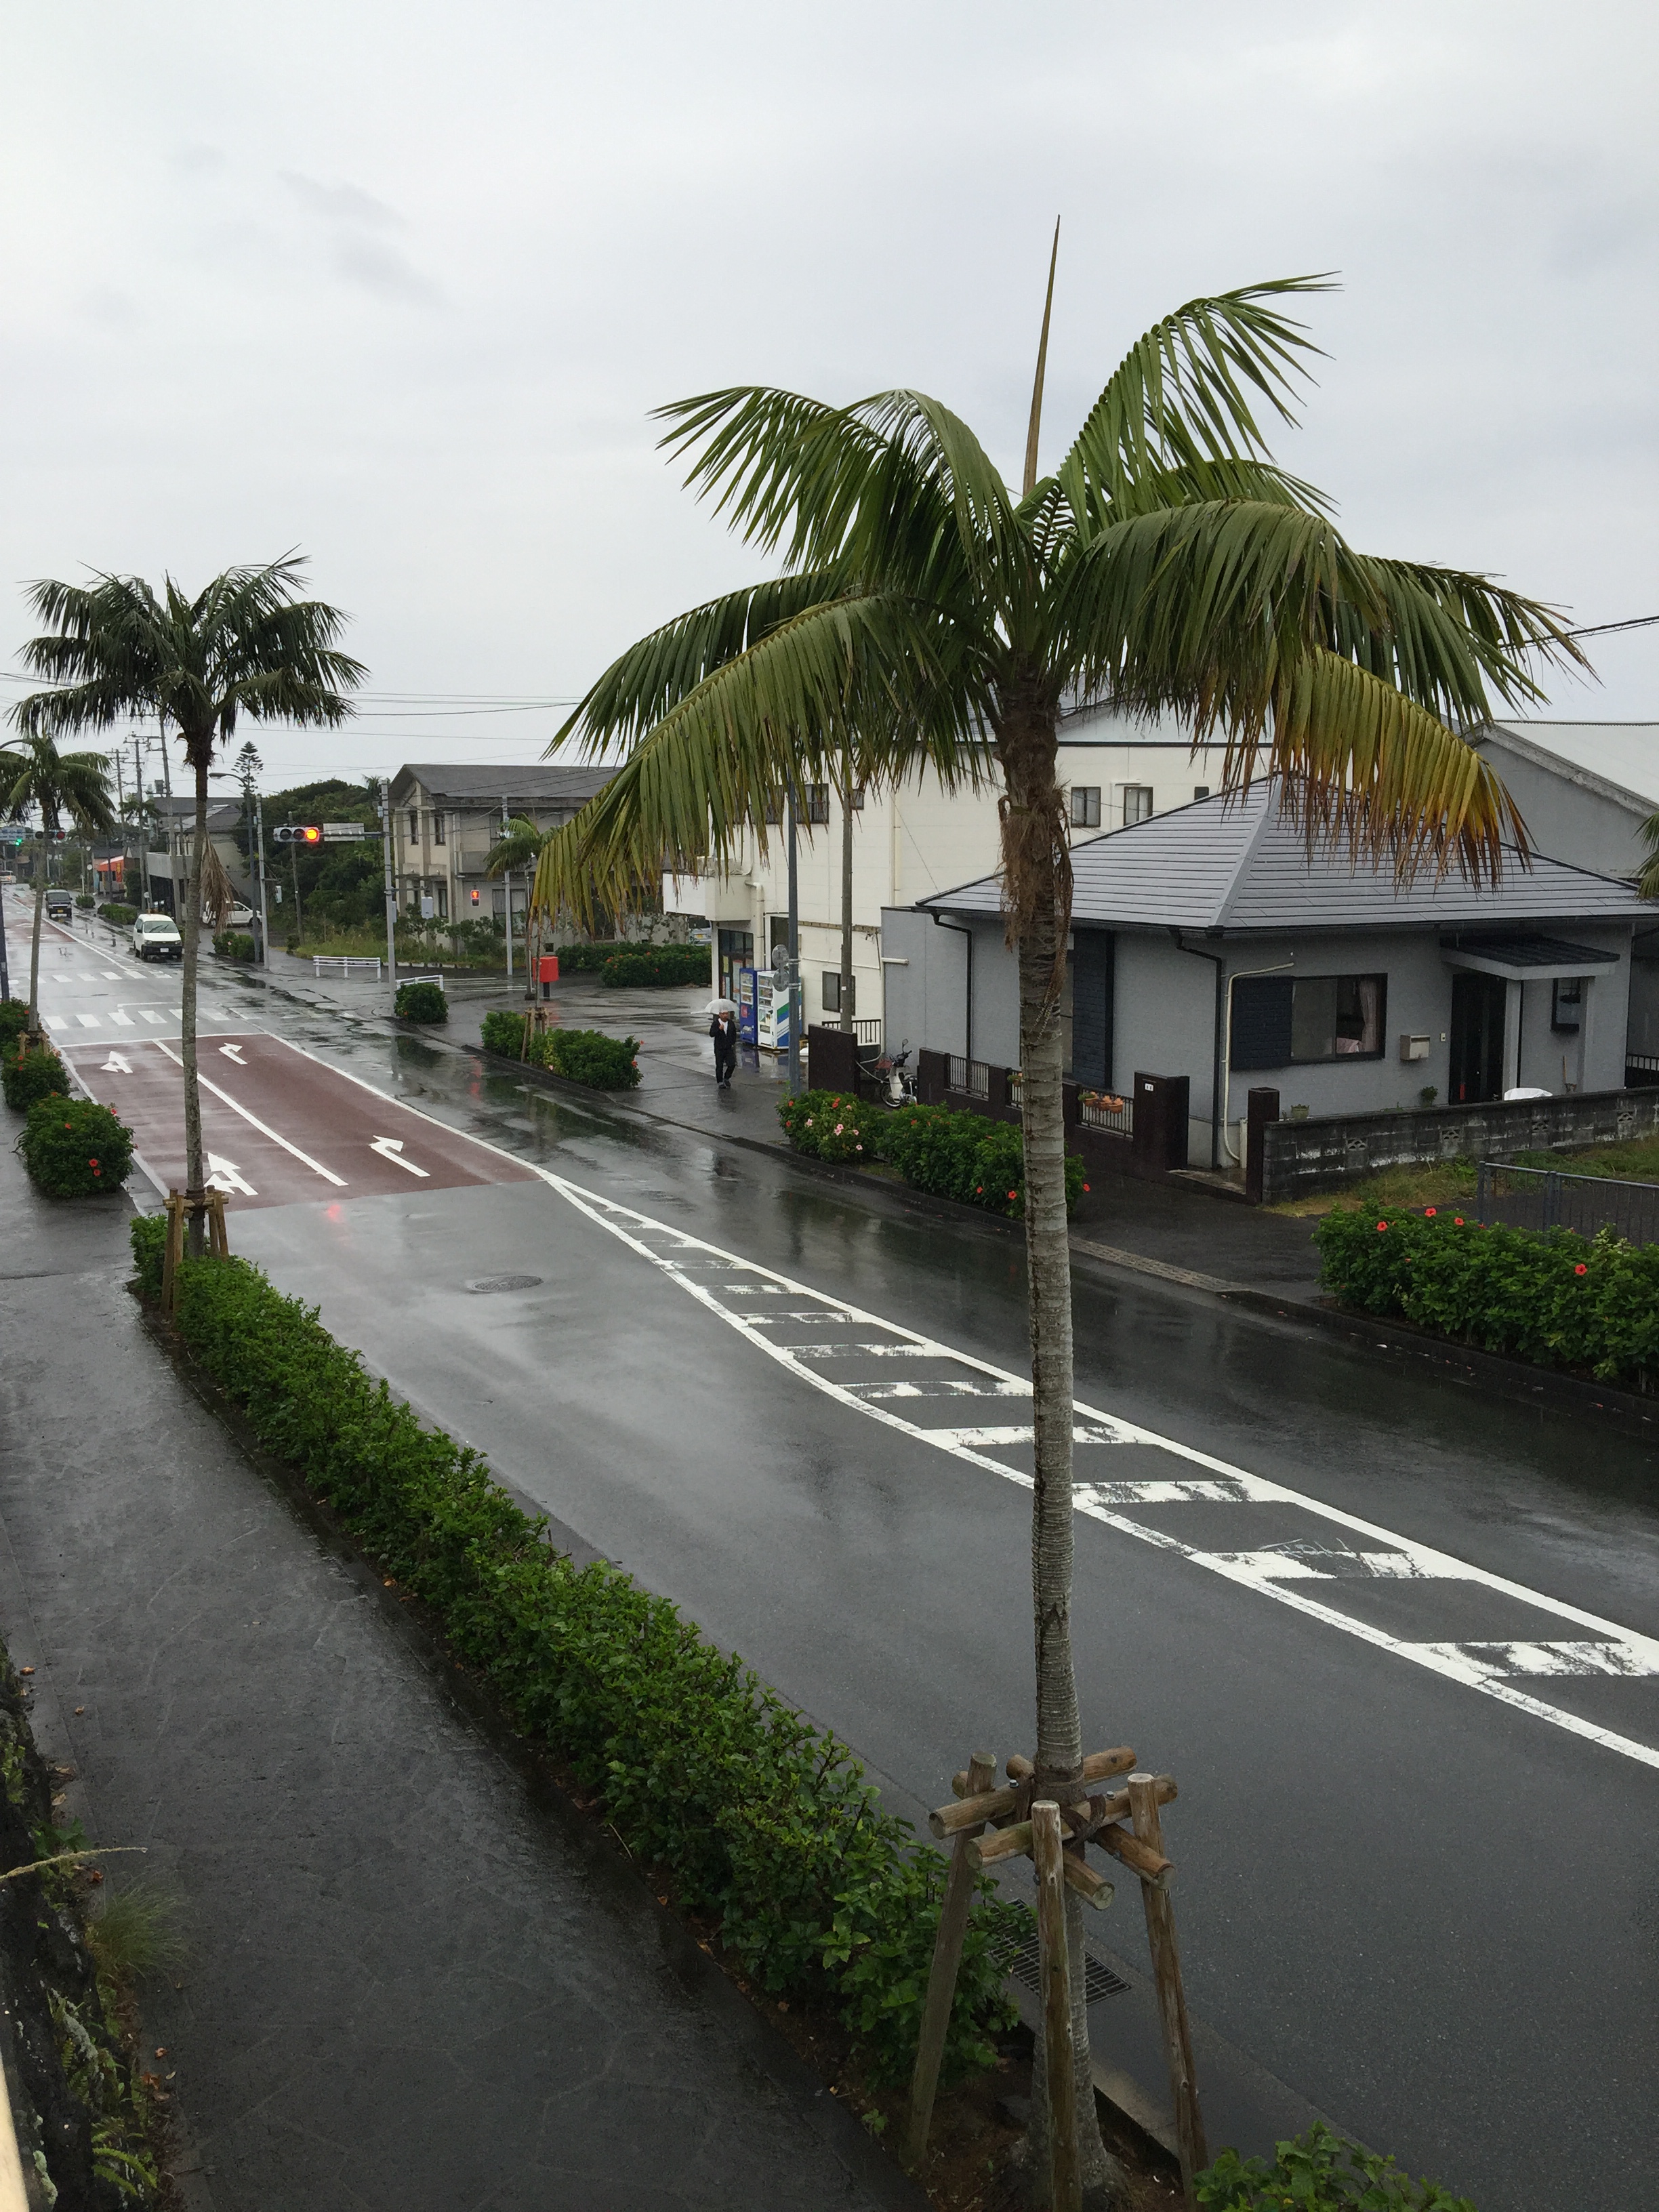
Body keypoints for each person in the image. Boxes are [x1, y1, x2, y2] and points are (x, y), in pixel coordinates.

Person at [710, 1008, 738, 1088]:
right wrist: (719, 1030)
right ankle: (720, 1081)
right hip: (719, 1048)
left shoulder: (730, 1023)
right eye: (723, 1014)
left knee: (732, 1064)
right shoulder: (716, 1023)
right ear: (720, 1015)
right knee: (720, 1065)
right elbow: (712, 1034)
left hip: (728, 1047)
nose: (725, 1015)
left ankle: (727, 1077)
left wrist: (732, 1043)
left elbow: (734, 1033)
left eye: (726, 1013)